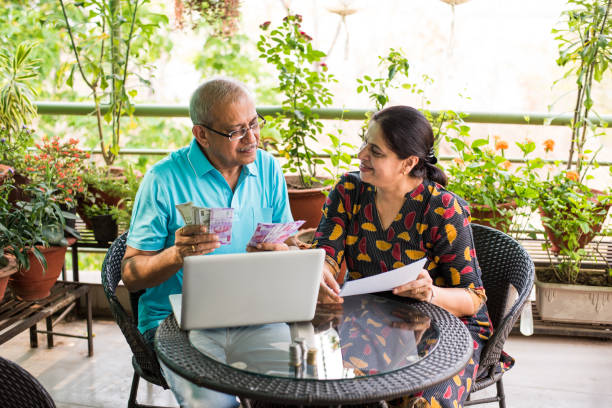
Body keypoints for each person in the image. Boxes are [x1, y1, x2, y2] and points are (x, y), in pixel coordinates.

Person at [313, 105, 513, 408]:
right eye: (365, 142)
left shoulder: (442, 209)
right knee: (337, 389)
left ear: (408, 163)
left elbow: (473, 298)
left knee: (425, 400)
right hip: (369, 317)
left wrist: (430, 293)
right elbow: (326, 251)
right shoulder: (348, 192)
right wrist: (322, 271)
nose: (361, 155)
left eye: (376, 152)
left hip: (446, 324)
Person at [121, 77, 296, 407]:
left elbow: (289, 246)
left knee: (293, 395)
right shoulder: (162, 179)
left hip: (255, 313)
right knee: (215, 405)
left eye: (254, 123)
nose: (252, 138)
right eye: (236, 131)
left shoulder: (269, 168)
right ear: (201, 134)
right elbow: (131, 275)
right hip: (178, 323)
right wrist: (176, 254)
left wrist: (283, 251)